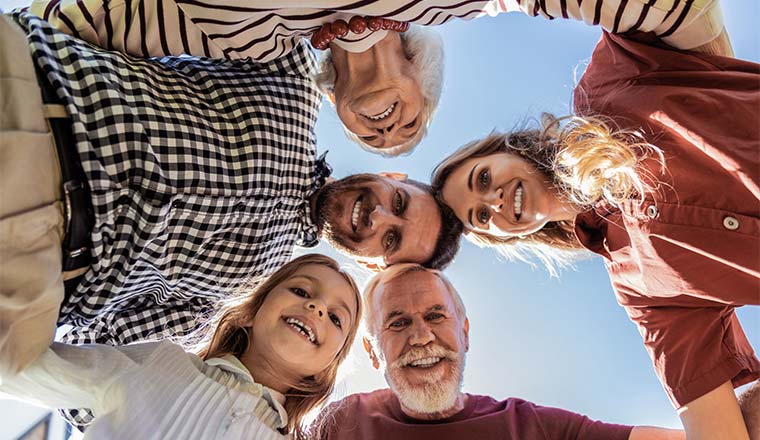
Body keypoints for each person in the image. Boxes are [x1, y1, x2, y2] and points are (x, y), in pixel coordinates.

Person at [0, 10, 463, 380]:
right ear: (395, 175)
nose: (378, 215)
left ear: (369, 263)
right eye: (398, 203)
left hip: (37, 262)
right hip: (35, 97)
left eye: (390, 240)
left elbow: (109, 344)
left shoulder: (250, 299)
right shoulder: (294, 82)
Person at [431, 18, 759, 440]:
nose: (492, 201)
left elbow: (675, 11)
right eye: (480, 217)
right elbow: (720, 430)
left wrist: (712, 56)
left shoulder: (609, 86)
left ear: (503, 150)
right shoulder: (642, 291)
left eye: (481, 179)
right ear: (504, 238)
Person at [24, 0, 725, 155]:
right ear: (425, 83)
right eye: (413, 123)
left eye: (374, 137)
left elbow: (66, 22)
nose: (389, 128)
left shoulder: (238, 40)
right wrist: (722, 113)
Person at [0, 254, 362, 439]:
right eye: (300, 291)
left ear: (326, 369)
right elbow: (19, 364)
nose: (316, 308)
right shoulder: (160, 364)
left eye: (335, 318)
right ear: (250, 314)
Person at [313, 264, 686, 439]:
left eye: (435, 315)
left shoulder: (529, 426)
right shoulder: (345, 421)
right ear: (372, 351)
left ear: (465, 332)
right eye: (397, 323)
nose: (422, 337)